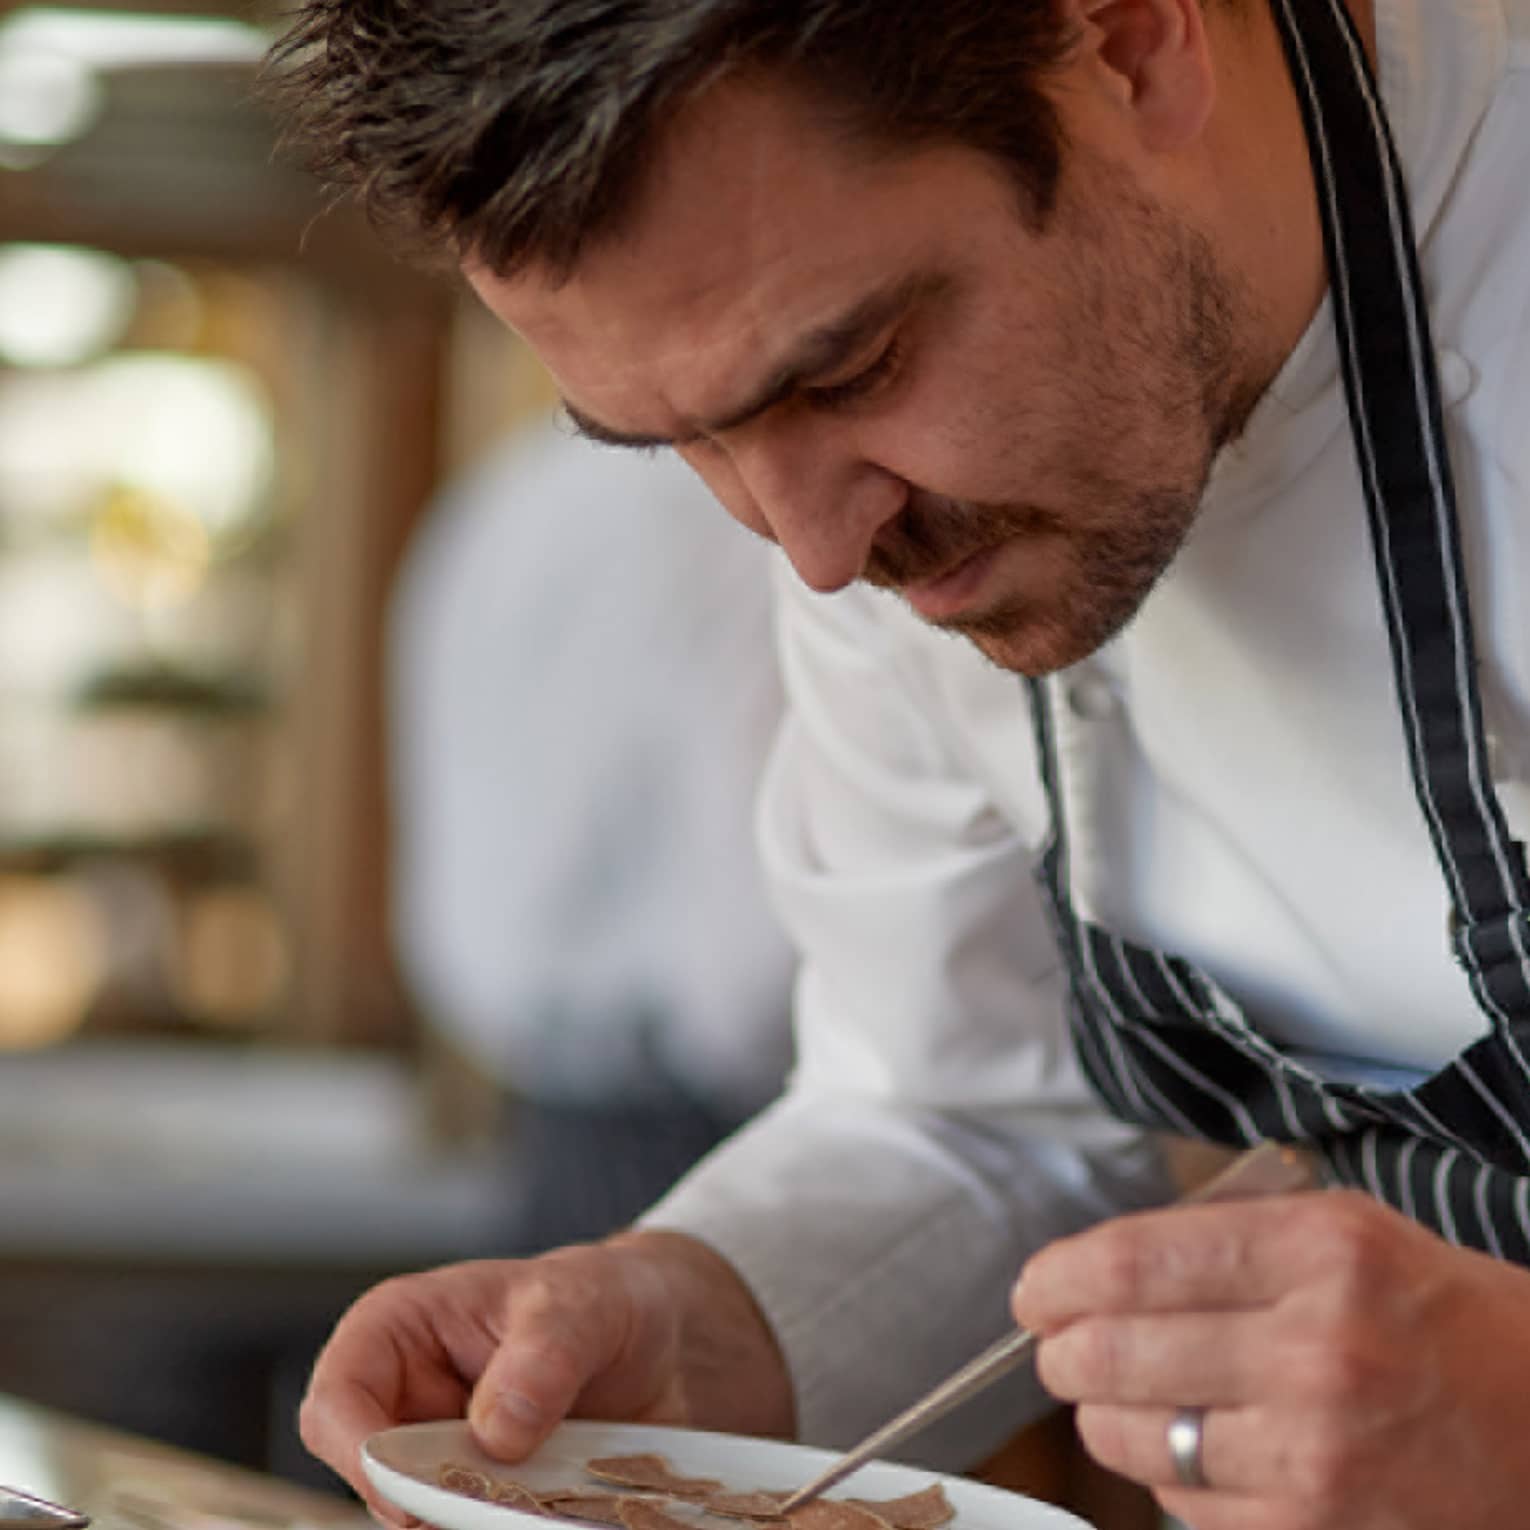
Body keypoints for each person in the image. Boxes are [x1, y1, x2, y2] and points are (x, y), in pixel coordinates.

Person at [266, 1, 1530, 1525]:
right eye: (674, 441)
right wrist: (688, 1319)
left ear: (1132, 43)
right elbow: (967, 1106)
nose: (811, 554)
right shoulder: (899, 519)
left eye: (850, 368)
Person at [390, 414, 793, 1249]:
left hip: (544, 1112)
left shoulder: (501, 500)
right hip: (712, 1114)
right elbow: (752, 883)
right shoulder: (729, 516)